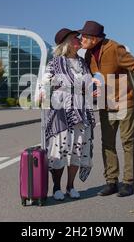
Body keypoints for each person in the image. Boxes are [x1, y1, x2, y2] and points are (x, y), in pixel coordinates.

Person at [78, 21, 134, 197]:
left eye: (84, 36)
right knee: (107, 144)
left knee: (128, 142)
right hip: (105, 104)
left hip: (125, 101)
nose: (81, 39)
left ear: (94, 39)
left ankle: (129, 181)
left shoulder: (115, 48)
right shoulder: (88, 54)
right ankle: (111, 181)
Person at [37, 28, 96, 201]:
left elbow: (89, 85)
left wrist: (93, 90)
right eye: (75, 38)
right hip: (61, 112)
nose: (79, 40)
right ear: (67, 44)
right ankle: (56, 187)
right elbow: (45, 82)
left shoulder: (83, 63)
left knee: (77, 149)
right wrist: (42, 92)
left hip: (81, 111)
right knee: (60, 150)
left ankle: (70, 186)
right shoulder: (55, 63)